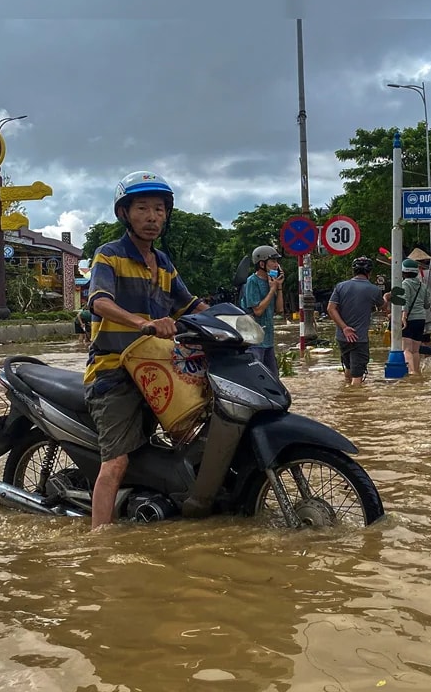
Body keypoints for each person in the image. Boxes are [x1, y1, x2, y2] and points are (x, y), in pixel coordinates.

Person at [84, 171, 209, 529]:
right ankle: (99, 540)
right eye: (142, 208)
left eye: (159, 209)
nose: (152, 217)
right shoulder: (108, 256)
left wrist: (234, 323)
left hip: (157, 367)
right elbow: (99, 301)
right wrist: (141, 323)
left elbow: (190, 304)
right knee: (117, 462)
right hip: (114, 372)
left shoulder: (165, 263)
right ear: (124, 213)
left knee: (190, 431)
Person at [327, 256, 386, 386]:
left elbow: (331, 309)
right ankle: (355, 402)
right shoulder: (374, 290)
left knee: (348, 369)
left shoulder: (340, 287)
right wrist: (387, 297)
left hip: (342, 338)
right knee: (357, 377)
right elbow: (384, 308)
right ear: (369, 273)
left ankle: (346, 398)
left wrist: (344, 328)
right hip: (359, 339)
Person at [239, 244, 285, 376]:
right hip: (254, 341)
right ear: (262, 264)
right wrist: (272, 290)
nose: (276, 265)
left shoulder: (272, 281)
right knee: (259, 377)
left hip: (268, 340)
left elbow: (280, 309)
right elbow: (258, 311)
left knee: (274, 377)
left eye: (277, 262)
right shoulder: (252, 282)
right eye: (273, 261)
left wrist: (279, 287)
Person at [385, 258, 427, 375]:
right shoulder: (422, 285)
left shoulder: (404, 284)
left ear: (403, 272)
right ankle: (417, 372)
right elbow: (427, 303)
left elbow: (405, 301)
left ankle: (412, 373)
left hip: (409, 319)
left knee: (407, 349)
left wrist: (404, 316)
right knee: (415, 350)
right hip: (421, 319)